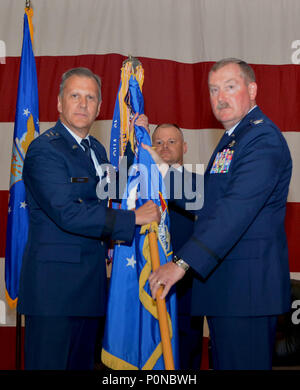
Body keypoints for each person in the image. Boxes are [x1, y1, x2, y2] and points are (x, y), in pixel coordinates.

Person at [147, 58, 293, 370]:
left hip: (246, 293)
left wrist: (181, 262)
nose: (221, 97)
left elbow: (234, 210)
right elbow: (211, 195)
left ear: (252, 90)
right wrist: (158, 173)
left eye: (230, 87)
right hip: (229, 291)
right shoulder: (234, 138)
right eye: (214, 90)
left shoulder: (262, 138)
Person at [17, 67, 160, 370]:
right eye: (75, 96)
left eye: (90, 98)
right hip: (54, 295)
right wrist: (132, 218)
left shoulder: (94, 148)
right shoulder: (44, 150)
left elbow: (117, 189)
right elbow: (68, 213)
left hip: (89, 289)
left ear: (98, 107)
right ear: (59, 103)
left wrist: (138, 146)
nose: (83, 104)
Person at [151, 123, 203, 369]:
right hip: (146, 279)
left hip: (187, 282)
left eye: (172, 141)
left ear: (184, 147)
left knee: (186, 349)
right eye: (158, 142)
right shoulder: (141, 184)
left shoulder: (199, 184)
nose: (165, 147)